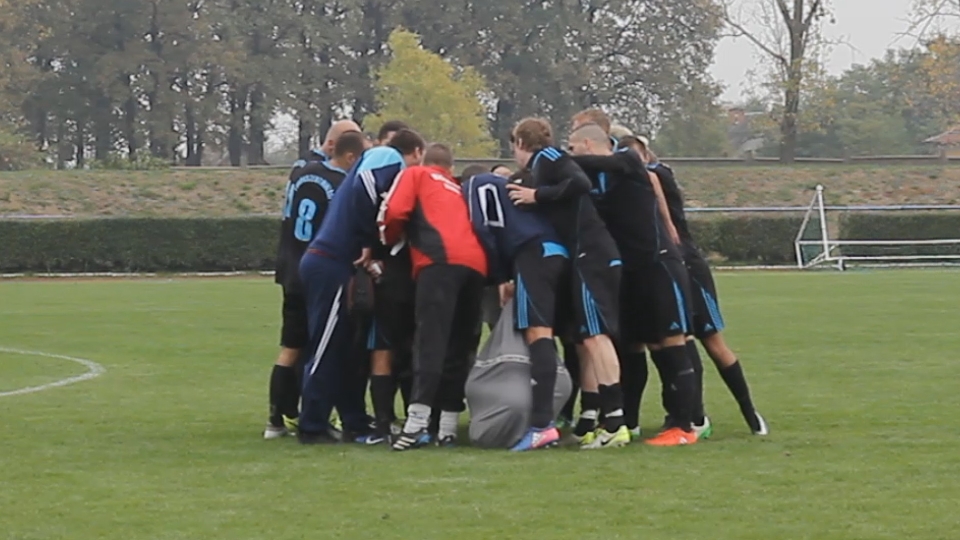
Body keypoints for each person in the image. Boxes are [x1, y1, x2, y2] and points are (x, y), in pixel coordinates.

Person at [625, 135, 768, 436]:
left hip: (687, 265)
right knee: (675, 341)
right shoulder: (634, 180)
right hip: (663, 267)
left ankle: (750, 414)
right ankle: (691, 415)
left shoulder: (657, 174)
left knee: (711, 340)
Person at [568, 123, 700, 447]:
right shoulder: (592, 177)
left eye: (572, 146)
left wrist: (557, 159)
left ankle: (686, 424)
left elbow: (605, 162)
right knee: (635, 346)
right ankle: (628, 420)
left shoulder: (626, 157)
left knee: (671, 343)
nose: (569, 153)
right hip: (630, 272)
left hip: (657, 265)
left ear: (587, 143)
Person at [505, 117, 630, 450]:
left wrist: (537, 195)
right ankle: (597, 419)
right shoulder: (544, 163)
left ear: (520, 143)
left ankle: (615, 423)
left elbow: (579, 183)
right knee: (588, 338)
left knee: (596, 337)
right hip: (591, 254)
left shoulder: (546, 159)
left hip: (592, 253)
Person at [296, 129, 426, 445]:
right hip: (331, 261)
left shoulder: (382, 161)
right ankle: (311, 425)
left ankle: (354, 420)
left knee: (346, 348)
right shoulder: (388, 156)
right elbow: (367, 186)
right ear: (417, 152)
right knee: (328, 346)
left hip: (337, 263)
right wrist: (371, 241)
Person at [379, 143, 488, 450]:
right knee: (460, 343)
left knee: (430, 340)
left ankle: (416, 422)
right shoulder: (457, 187)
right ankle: (449, 426)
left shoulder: (416, 174)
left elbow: (395, 211)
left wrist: (388, 239)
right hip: (476, 264)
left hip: (438, 261)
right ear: (450, 168)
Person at [264, 130, 366, 440]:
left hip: (291, 265)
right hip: (319, 268)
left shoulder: (302, 170)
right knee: (320, 346)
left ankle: (276, 420)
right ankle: (311, 420)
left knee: (293, 347)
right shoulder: (340, 183)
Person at [463, 170, 569, 451]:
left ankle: (541, 426)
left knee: (538, 333)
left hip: (535, 253)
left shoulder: (477, 183)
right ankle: (561, 418)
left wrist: (499, 275)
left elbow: (483, 225)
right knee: (557, 335)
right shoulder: (515, 195)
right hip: (554, 251)